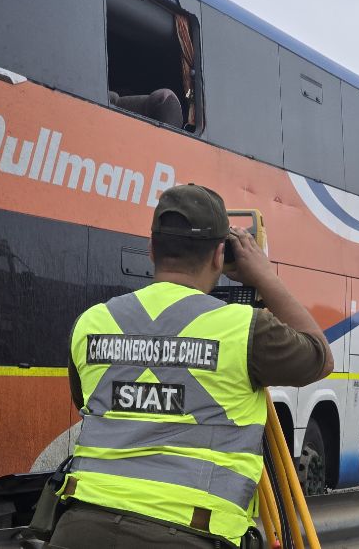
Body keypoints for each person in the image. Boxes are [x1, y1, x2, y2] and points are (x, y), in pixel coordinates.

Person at [52, 184, 334, 549]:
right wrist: (263, 276)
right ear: (221, 255)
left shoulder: (91, 322)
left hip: (79, 526)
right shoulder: (246, 329)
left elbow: (91, 404)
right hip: (188, 534)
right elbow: (319, 357)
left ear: (152, 249)